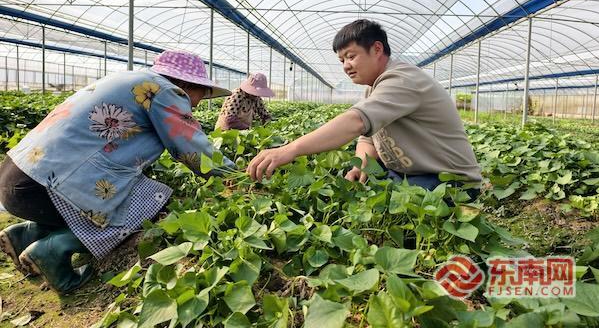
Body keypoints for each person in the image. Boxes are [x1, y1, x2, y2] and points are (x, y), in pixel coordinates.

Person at [0, 50, 235, 294]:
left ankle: (24, 235)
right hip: (45, 186)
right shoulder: (164, 91)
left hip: (17, 176)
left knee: (124, 191)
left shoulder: (127, 79)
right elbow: (192, 148)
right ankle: (53, 250)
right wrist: (232, 176)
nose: (197, 103)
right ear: (186, 84)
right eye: (202, 93)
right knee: (151, 203)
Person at [246, 20, 482, 196]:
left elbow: (357, 122)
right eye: (342, 61)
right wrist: (361, 164)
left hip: (448, 181)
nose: (346, 66)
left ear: (377, 49)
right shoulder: (373, 88)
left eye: (351, 56)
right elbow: (367, 138)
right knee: (353, 189)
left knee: (383, 207)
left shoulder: (402, 79)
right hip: (408, 174)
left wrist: (290, 149)